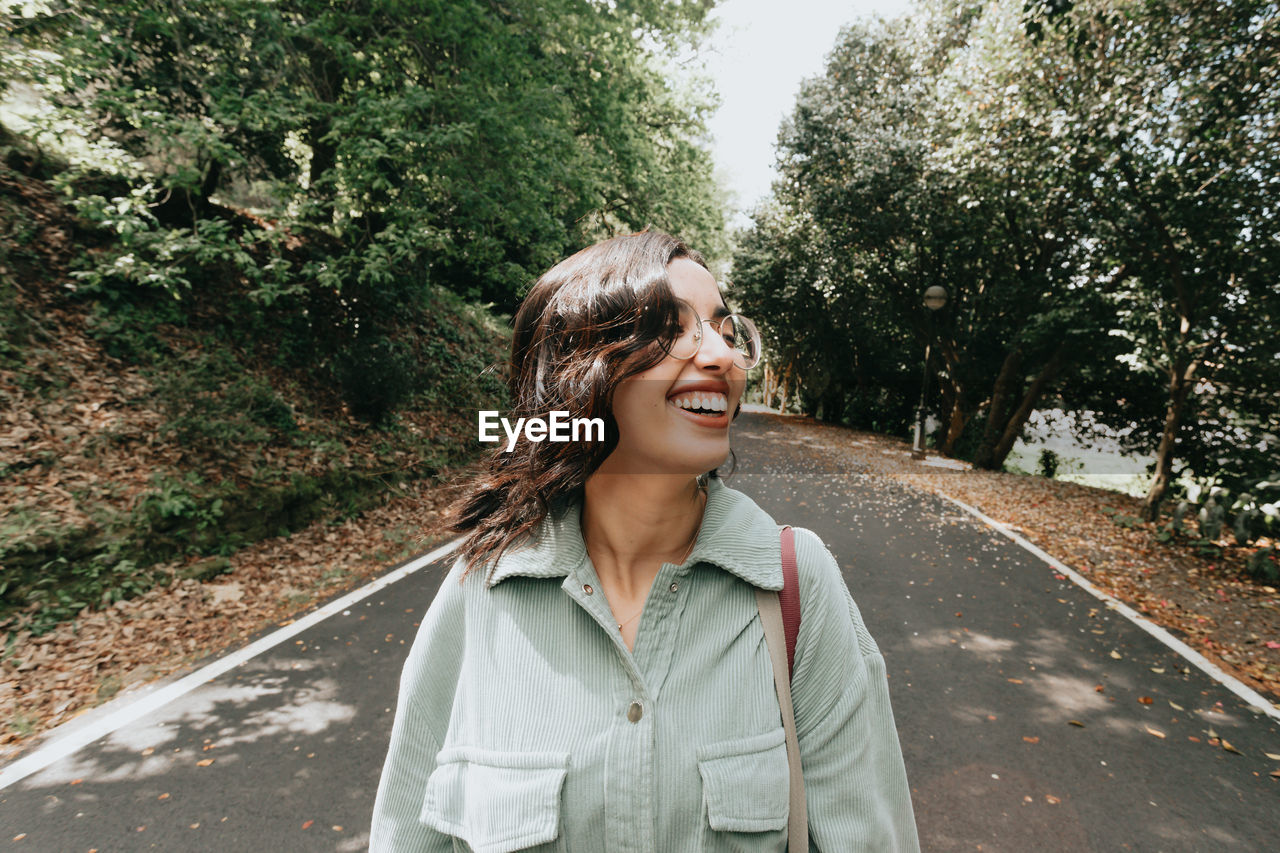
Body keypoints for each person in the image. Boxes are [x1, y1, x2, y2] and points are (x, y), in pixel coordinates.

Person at [370, 230, 919, 851]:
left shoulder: (794, 581)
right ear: (579, 374)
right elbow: (406, 834)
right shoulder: (485, 586)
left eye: (724, 331)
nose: (721, 356)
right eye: (671, 330)